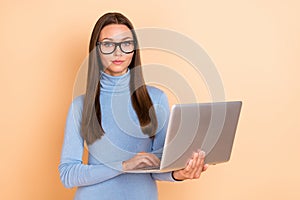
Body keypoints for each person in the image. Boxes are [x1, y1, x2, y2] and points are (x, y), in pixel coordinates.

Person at [59, 12, 208, 200]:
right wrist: (123, 166)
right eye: (108, 44)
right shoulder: (80, 106)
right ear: (96, 50)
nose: (118, 52)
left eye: (126, 43)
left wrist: (178, 174)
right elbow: (68, 174)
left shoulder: (156, 99)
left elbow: (156, 166)